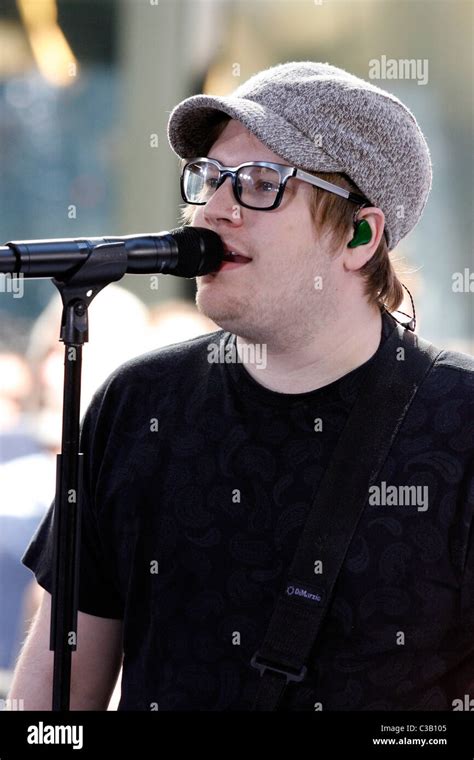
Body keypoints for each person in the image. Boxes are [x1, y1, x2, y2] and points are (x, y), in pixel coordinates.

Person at [9, 62, 474, 711]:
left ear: (361, 236)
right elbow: (52, 708)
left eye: (260, 184)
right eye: (209, 178)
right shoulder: (137, 405)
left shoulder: (461, 423)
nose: (215, 208)